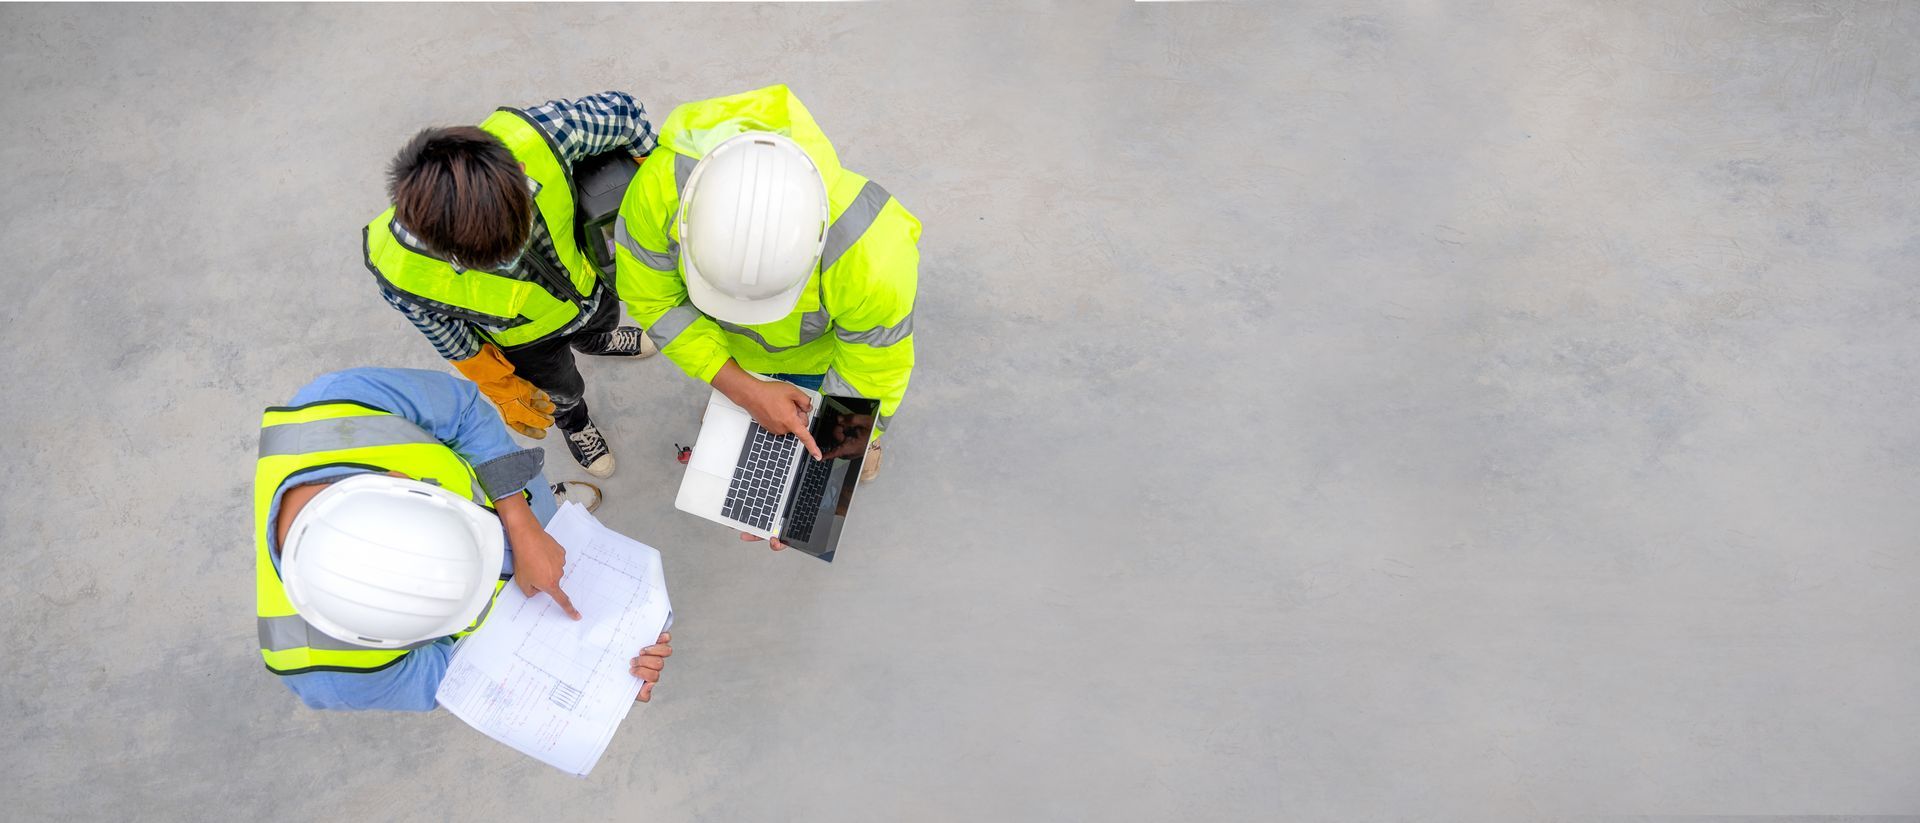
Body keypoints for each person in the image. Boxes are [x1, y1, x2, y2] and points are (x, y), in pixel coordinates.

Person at [253, 367, 672, 711]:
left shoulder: (342, 404)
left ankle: (549, 507)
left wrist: (521, 518)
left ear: (395, 479)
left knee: (536, 501)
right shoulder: (331, 677)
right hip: (521, 602)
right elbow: (465, 680)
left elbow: (464, 414)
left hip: (517, 507)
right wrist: (601, 676)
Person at [613, 84, 920, 513]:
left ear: (817, 243)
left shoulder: (872, 253)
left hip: (823, 367)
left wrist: (823, 473)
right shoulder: (661, 191)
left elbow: (871, 371)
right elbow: (654, 302)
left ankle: (856, 450)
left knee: (836, 452)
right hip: (734, 361)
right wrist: (741, 389)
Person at [364, 92, 661, 478]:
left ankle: (597, 341)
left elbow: (625, 114)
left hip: (590, 286)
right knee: (562, 391)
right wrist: (502, 386)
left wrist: (659, 194)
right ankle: (575, 423)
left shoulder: (543, 136)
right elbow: (452, 338)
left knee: (602, 320)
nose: (512, 259)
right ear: (437, 243)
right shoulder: (402, 273)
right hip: (529, 341)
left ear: (519, 171)